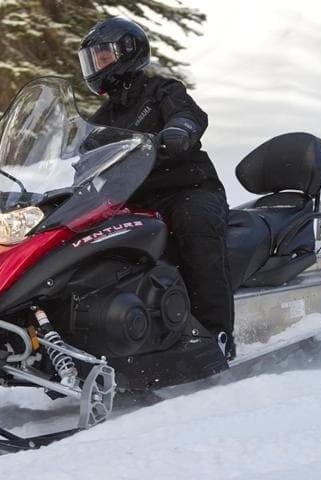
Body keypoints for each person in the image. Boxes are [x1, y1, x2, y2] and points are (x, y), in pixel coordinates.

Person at [78, 17, 235, 359]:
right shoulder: (101, 119)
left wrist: (180, 129)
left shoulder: (162, 91)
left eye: (103, 56)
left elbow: (189, 114)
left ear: (128, 52)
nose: (97, 66)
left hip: (188, 189)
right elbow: (85, 156)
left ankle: (217, 336)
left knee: (194, 227)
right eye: (92, 60)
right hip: (134, 202)